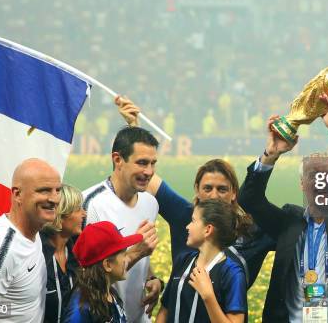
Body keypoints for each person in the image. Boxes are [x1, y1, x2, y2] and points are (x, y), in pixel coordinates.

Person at [238, 94, 328, 322]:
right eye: (314, 176)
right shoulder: (288, 221)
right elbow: (249, 199)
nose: (321, 182)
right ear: (301, 184)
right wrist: (271, 155)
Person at [117, 97, 275, 288]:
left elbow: (295, 233)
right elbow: (149, 180)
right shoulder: (184, 214)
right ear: (197, 192)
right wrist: (133, 128)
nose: (214, 196)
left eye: (222, 189)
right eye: (207, 188)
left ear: (234, 193)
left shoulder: (253, 231)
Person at [0, 158, 62, 323]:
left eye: (57, 190)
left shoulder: (33, 229)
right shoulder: (2, 250)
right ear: (18, 194)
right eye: (44, 190)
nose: (55, 199)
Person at [81, 125, 160, 323]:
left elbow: (142, 261)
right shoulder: (91, 204)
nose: (149, 171)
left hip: (139, 317)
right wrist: (137, 252)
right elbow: (84, 275)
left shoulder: (150, 203)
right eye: (142, 163)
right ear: (118, 160)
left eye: (153, 163)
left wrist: (152, 278)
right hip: (105, 317)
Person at [156, 199, 247, 323]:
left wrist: (208, 296)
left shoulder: (232, 273)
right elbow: (165, 310)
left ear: (208, 230)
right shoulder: (183, 260)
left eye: (193, 221)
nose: (187, 226)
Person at [63, 221, 143, 322]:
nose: (127, 259)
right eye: (123, 254)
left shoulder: (110, 294)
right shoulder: (81, 309)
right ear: (108, 264)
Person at [41, 184, 86, 323]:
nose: (84, 214)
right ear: (61, 215)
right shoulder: (37, 253)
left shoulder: (77, 252)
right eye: (78, 209)